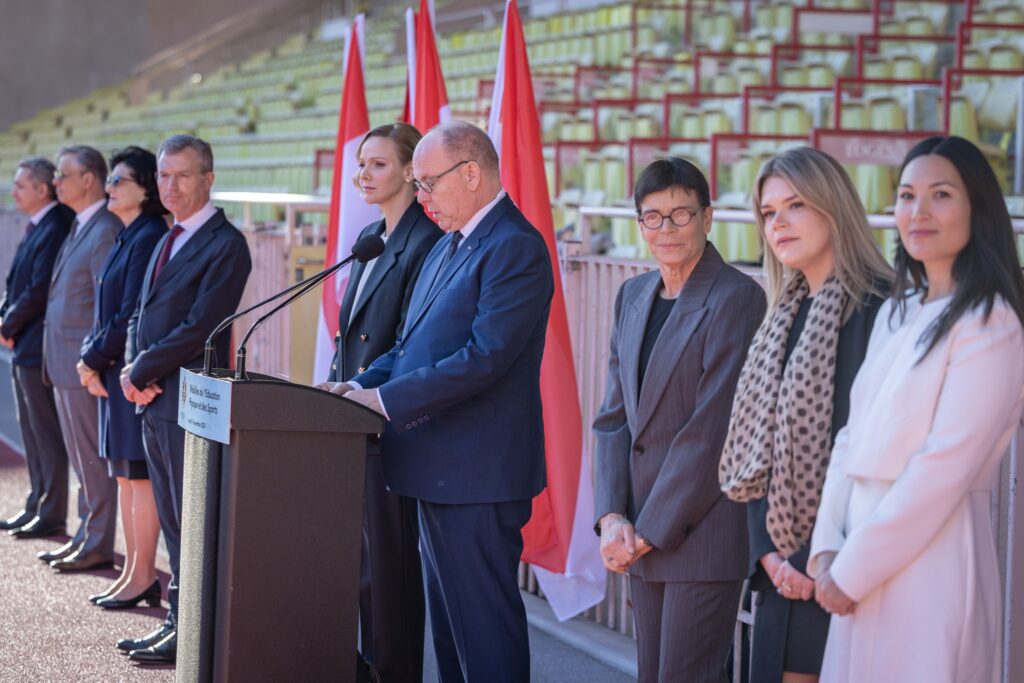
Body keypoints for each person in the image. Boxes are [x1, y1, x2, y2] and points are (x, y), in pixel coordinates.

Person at [325, 120, 554, 683]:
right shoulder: (449, 244)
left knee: (484, 632)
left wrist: (385, 399)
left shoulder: (515, 247)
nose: (421, 196)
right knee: (452, 636)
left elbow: (485, 357)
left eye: (428, 183)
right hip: (437, 467)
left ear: (471, 173)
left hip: (477, 473)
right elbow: (409, 346)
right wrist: (356, 388)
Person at [808, 136, 1024, 682]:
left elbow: (942, 469)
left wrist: (851, 570)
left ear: (978, 209)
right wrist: (828, 549)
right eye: (906, 195)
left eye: (941, 195)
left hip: (933, 559)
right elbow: (850, 438)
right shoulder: (897, 311)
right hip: (857, 554)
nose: (918, 212)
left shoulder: (990, 323)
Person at [718, 147, 893, 683]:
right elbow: (756, 453)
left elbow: (876, 451)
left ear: (833, 207)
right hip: (779, 569)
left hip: (845, 564)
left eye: (795, 206)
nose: (779, 223)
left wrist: (810, 560)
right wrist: (769, 555)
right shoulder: (781, 317)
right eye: (769, 213)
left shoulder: (882, 309)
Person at [592, 157, 767, 683]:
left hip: (700, 534)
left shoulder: (736, 297)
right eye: (653, 216)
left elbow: (711, 431)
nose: (665, 229)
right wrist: (611, 518)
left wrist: (645, 530)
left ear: (708, 218)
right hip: (637, 532)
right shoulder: (633, 294)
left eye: (681, 214)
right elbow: (613, 416)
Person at [117, 134, 252, 665]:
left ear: (208, 178)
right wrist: (135, 371)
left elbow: (201, 327)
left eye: (183, 175)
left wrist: (139, 370)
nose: (170, 186)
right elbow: (143, 313)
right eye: (163, 176)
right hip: (154, 395)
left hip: (190, 400)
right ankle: (178, 620)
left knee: (191, 522)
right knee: (173, 518)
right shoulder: (166, 236)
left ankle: (191, 629)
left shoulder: (226, 244)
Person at [325, 122, 440, 683]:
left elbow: (411, 342)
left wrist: (361, 387)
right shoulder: (373, 236)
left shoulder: (425, 242)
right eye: (361, 164)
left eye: (377, 164)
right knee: (359, 569)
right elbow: (350, 334)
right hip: (351, 419)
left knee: (389, 575)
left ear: (412, 172)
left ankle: (394, 674)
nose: (362, 175)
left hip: (391, 420)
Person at [77, 147, 167, 609]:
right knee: (125, 478)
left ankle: (145, 574)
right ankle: (134, 570)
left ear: (145, 188)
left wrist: (93, 358)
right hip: (113, 370)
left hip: (128, 370)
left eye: (119, 181)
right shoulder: (127, 234)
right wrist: (91, 359)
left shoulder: (150, 234)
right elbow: (105, 311)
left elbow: (130, 312)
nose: (108, 188)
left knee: (138, 477)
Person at [37, 146, 122, 572]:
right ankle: (86, 534)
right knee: (81, 457)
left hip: (83, 364)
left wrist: (92, 359)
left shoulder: (104, 227)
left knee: (92, 458)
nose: (56, 182)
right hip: (65, 360)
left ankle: (97, 542)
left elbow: (104, 303)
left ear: (89, 179)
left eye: (63, 174)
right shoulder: (81, 224)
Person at [0, 158, 74, 539]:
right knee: (31, 432)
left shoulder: (56, 224)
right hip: (24, 342)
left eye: (21, 185)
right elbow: (17, 285)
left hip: (37, 342)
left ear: (42, 189)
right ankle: (36, 501)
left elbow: (39, 289)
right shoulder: (39, 225)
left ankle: (52, 511)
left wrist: (7, 324)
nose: (13, 192)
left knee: (45, 433)